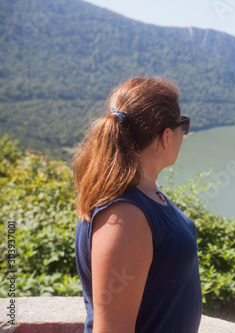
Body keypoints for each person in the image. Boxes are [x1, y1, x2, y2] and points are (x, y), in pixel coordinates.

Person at [73, 76, 202, 333]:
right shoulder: (124, 217)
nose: (183, 134)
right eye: (182, 125)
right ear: (166, 136)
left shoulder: (144, 194)